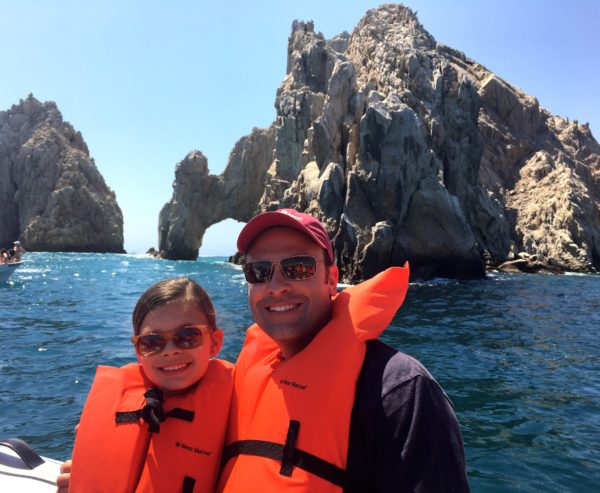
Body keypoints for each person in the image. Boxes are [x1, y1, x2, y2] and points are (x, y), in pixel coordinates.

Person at [217, 208, 470, 492]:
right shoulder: (241, 382)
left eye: (298, 268)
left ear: (331, 279)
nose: (275, 287)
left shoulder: (399, 391)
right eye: (259, 271)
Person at [58, 277, 233, 493]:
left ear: (215, 342)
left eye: (187, 336)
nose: (170, 350)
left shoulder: (238, 409)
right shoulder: (114, 407)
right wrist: (76, 479)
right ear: (138, 351)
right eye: (152, 342)